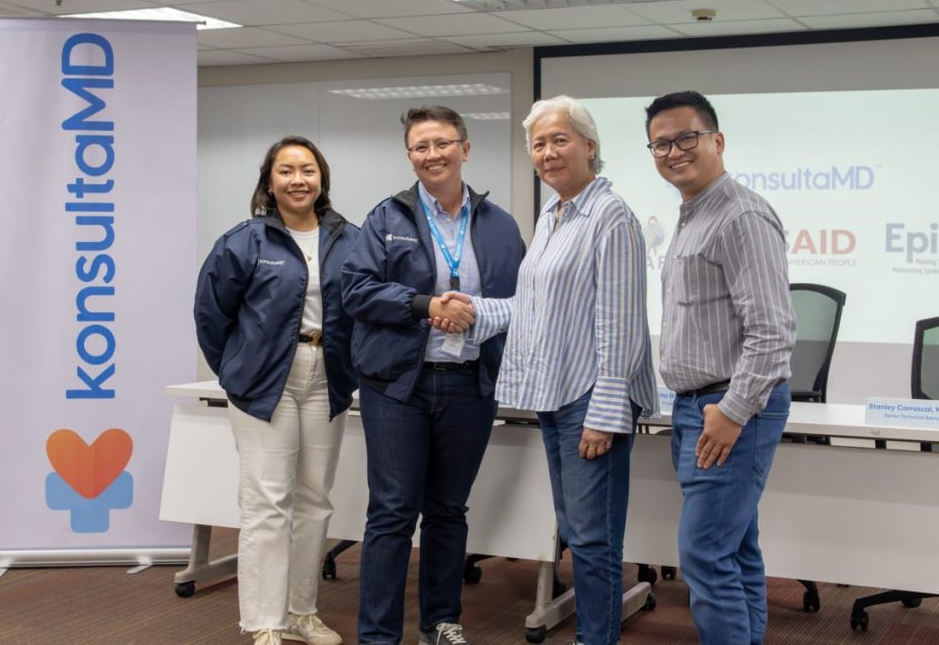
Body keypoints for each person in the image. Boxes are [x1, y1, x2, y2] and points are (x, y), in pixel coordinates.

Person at [444, 95, 657, 645]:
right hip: (558, 396)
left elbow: (622, 322)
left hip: (592, 399)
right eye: (538, 144)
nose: (548, 152)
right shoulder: (554, 214)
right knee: (579, 535)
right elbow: (533, 308)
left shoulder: (611, 217)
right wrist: (473, 311)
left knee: (593, 541)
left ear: (590, 146)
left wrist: (606, 414)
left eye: (559, 139)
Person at [341, 106, 525, 645]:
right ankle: (379, 634)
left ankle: (441, 621)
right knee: (393, 512)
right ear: (409, 157)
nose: (432, 155)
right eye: (420, 147)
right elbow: (355, 290)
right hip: (399, 388)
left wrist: (483, 316)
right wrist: (424, 305)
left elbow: (524, 302)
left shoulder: (499, 225)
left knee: (448, 510)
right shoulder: (386, 219)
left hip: (469, 385)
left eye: (442, 143)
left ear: (465, 149)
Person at [194, 136, 359, 645]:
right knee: (267, 502)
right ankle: (265, 622)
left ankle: (301, 611)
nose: (298, 180)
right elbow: (210, 314)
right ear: (269, 181)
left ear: (322, 178)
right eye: (286, 171)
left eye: (307, 170)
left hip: (326, 374)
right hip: (265, 382)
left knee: (314, 500)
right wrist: (236, 371)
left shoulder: (347, 239)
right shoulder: (244, 241)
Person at [644, 91, 795, 645]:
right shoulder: (693, 213)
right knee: (734, 549)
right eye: (661, 143)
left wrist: (731, 412)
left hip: (732, 406)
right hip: (696, 405)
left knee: (705, 555)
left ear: (717, 141)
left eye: (687, 137)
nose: (674, 151)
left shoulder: (741, 215)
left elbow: (773, 332)